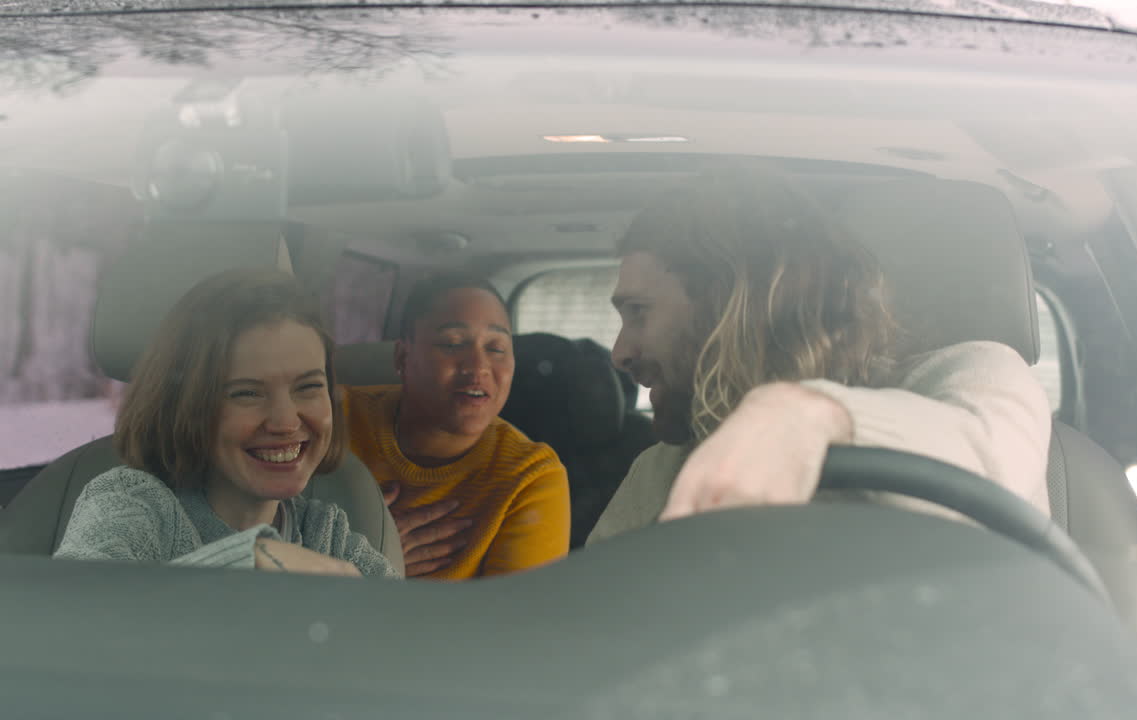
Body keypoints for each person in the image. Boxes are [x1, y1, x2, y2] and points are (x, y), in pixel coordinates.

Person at [587, 168, 1052, 543]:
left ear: (731, 309)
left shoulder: (979, 375)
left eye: (639, 312)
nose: (619, 354)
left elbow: (991, 474)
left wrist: (807, 414)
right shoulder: (659, 471)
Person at [55, 269, 399, 578]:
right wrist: (252, 556)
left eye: (309, 387)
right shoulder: (131, 505)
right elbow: (74, 616)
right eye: (247, 393)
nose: (285, 422)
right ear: (187, 405)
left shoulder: (328, 536)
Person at [343, 273, 570, 579]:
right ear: (402, 356)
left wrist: (375, 572)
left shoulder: (529, 476)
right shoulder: (331, 418)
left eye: (496, 348)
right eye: (452, 344)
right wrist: (362, 563)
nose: (478, 366)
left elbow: (515, 623)